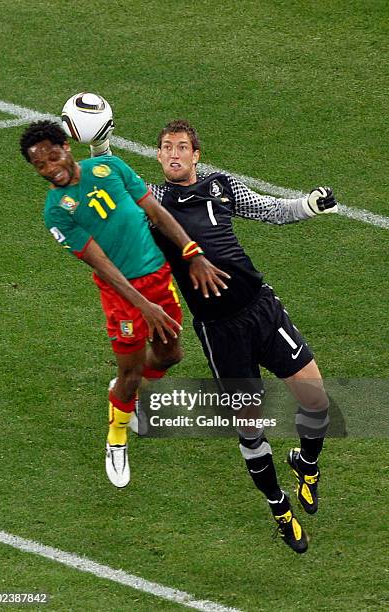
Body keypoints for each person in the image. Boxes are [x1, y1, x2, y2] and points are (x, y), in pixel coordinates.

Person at [88, 115, 336, 553]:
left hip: (261, 308)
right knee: (250, 430)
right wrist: (98, 146)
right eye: (166, 147)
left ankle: (306, 464)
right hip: (220, 333)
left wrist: (308, 206)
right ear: (159, 156)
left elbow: (269, 209)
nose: (174, 153)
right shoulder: (154, 204)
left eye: (182, 147)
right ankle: (280, 509)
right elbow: (112, 190)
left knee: (316, 400)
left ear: (196, 155)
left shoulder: (221, 186)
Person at [19, 120, 229, 490]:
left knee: (170, 355)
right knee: (131, 374)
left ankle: (122, 394)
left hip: (158, 278)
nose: (50, 169)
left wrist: (191, 251)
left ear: (66, 146)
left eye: (52, 157)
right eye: (40, 166)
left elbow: (157, 213)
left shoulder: (111, 168)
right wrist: (144, 305)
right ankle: (117, 436)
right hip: (122, 296)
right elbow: (104, 265)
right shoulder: (57, 212)